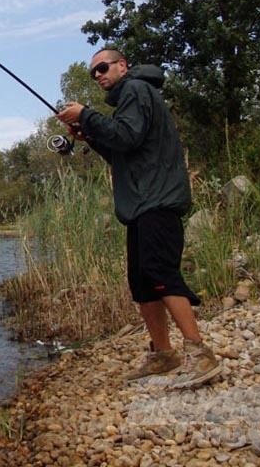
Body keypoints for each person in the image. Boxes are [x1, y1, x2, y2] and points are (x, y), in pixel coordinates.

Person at [56, 48, 221, 389]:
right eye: (94, 72)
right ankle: (163, 354)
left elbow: (126, 135)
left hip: (157, 201)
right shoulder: (130, 99)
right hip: (141, 205)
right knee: (142, 282)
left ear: (122, 66)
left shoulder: (136, 89)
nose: (99, 75)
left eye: (103, 67)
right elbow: (122, 151)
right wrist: (89, 135)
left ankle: (199, 353)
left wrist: (86, 115)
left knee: (160, 273)